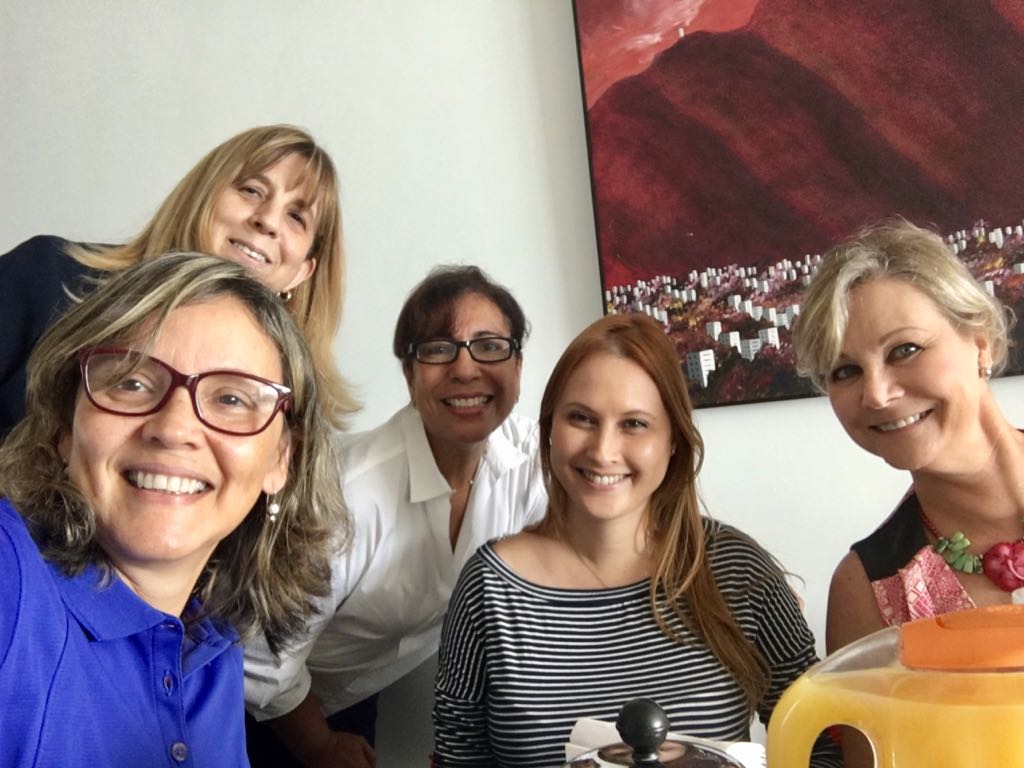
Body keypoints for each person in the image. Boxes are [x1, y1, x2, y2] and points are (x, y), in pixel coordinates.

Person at [432, 313, 841, 768]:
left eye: (634, 424)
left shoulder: (738, 572)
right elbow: (457, 759)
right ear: (549, 431)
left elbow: (823, 744)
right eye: (581, 418)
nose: (603, 451)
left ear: (673, 440)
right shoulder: (489, 589)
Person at [0, 252, 347, 767]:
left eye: (231, 399)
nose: (174, 428)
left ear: (281, 460)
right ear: (65, 428)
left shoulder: (215, 646)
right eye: (132, 382)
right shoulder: (10, 579)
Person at [244, 265, 548, 767]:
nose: (466, 369)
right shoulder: (347, 494)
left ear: (518, 366)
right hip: (256, 706)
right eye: (438, 349)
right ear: (410, 375)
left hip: (352, 692)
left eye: (490, 346)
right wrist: (318, 745)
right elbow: (258, 654)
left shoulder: (533, 461)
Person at [793, 218, 1023, 767]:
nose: (876, 393)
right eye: (845, 371)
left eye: (904, 350)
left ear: (979, 343)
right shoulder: (868, 589)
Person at [0, 123, 355, 437]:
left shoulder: (289, 399)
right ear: (201, 195)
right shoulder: (44, 274)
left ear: (303, 271)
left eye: (296, 217)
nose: (268, 221)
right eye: (251, 190)